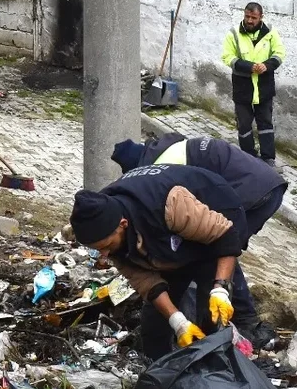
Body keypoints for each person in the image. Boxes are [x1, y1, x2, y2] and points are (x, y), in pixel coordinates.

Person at [111, 133, 287, 343]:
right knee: (215, 248)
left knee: (221, 249)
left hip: (252, 191)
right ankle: (222, 320)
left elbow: (219, 238)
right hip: (262, 184)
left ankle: (244, 324)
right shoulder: (167, 151)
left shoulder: (161, 168)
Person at [70, 164, 249, 360]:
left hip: (216, 213)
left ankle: (213, 370)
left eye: (106, 246)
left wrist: (220, 288)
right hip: (168, 236)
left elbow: (226, 237)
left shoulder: (170, 203)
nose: (103, 255)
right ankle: (159, 370)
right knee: (155, 322)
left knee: (210, 312)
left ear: (123, 225)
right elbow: (145, 281)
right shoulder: (103, 220)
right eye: (98, 249)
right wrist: (178, 321)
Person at [221, 2, 285, 167]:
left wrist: (266, 65)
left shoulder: (270, 32)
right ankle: (248, 158)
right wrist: (249, 67)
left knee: (265, 123)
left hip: (264, 87)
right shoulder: (234, 33)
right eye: (247, 17)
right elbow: (227, 57)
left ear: (261, 17)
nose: (249, 20)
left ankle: (268, 159)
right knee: (244, 124)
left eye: (253, 18)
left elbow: (279, 54)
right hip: (243, 88)